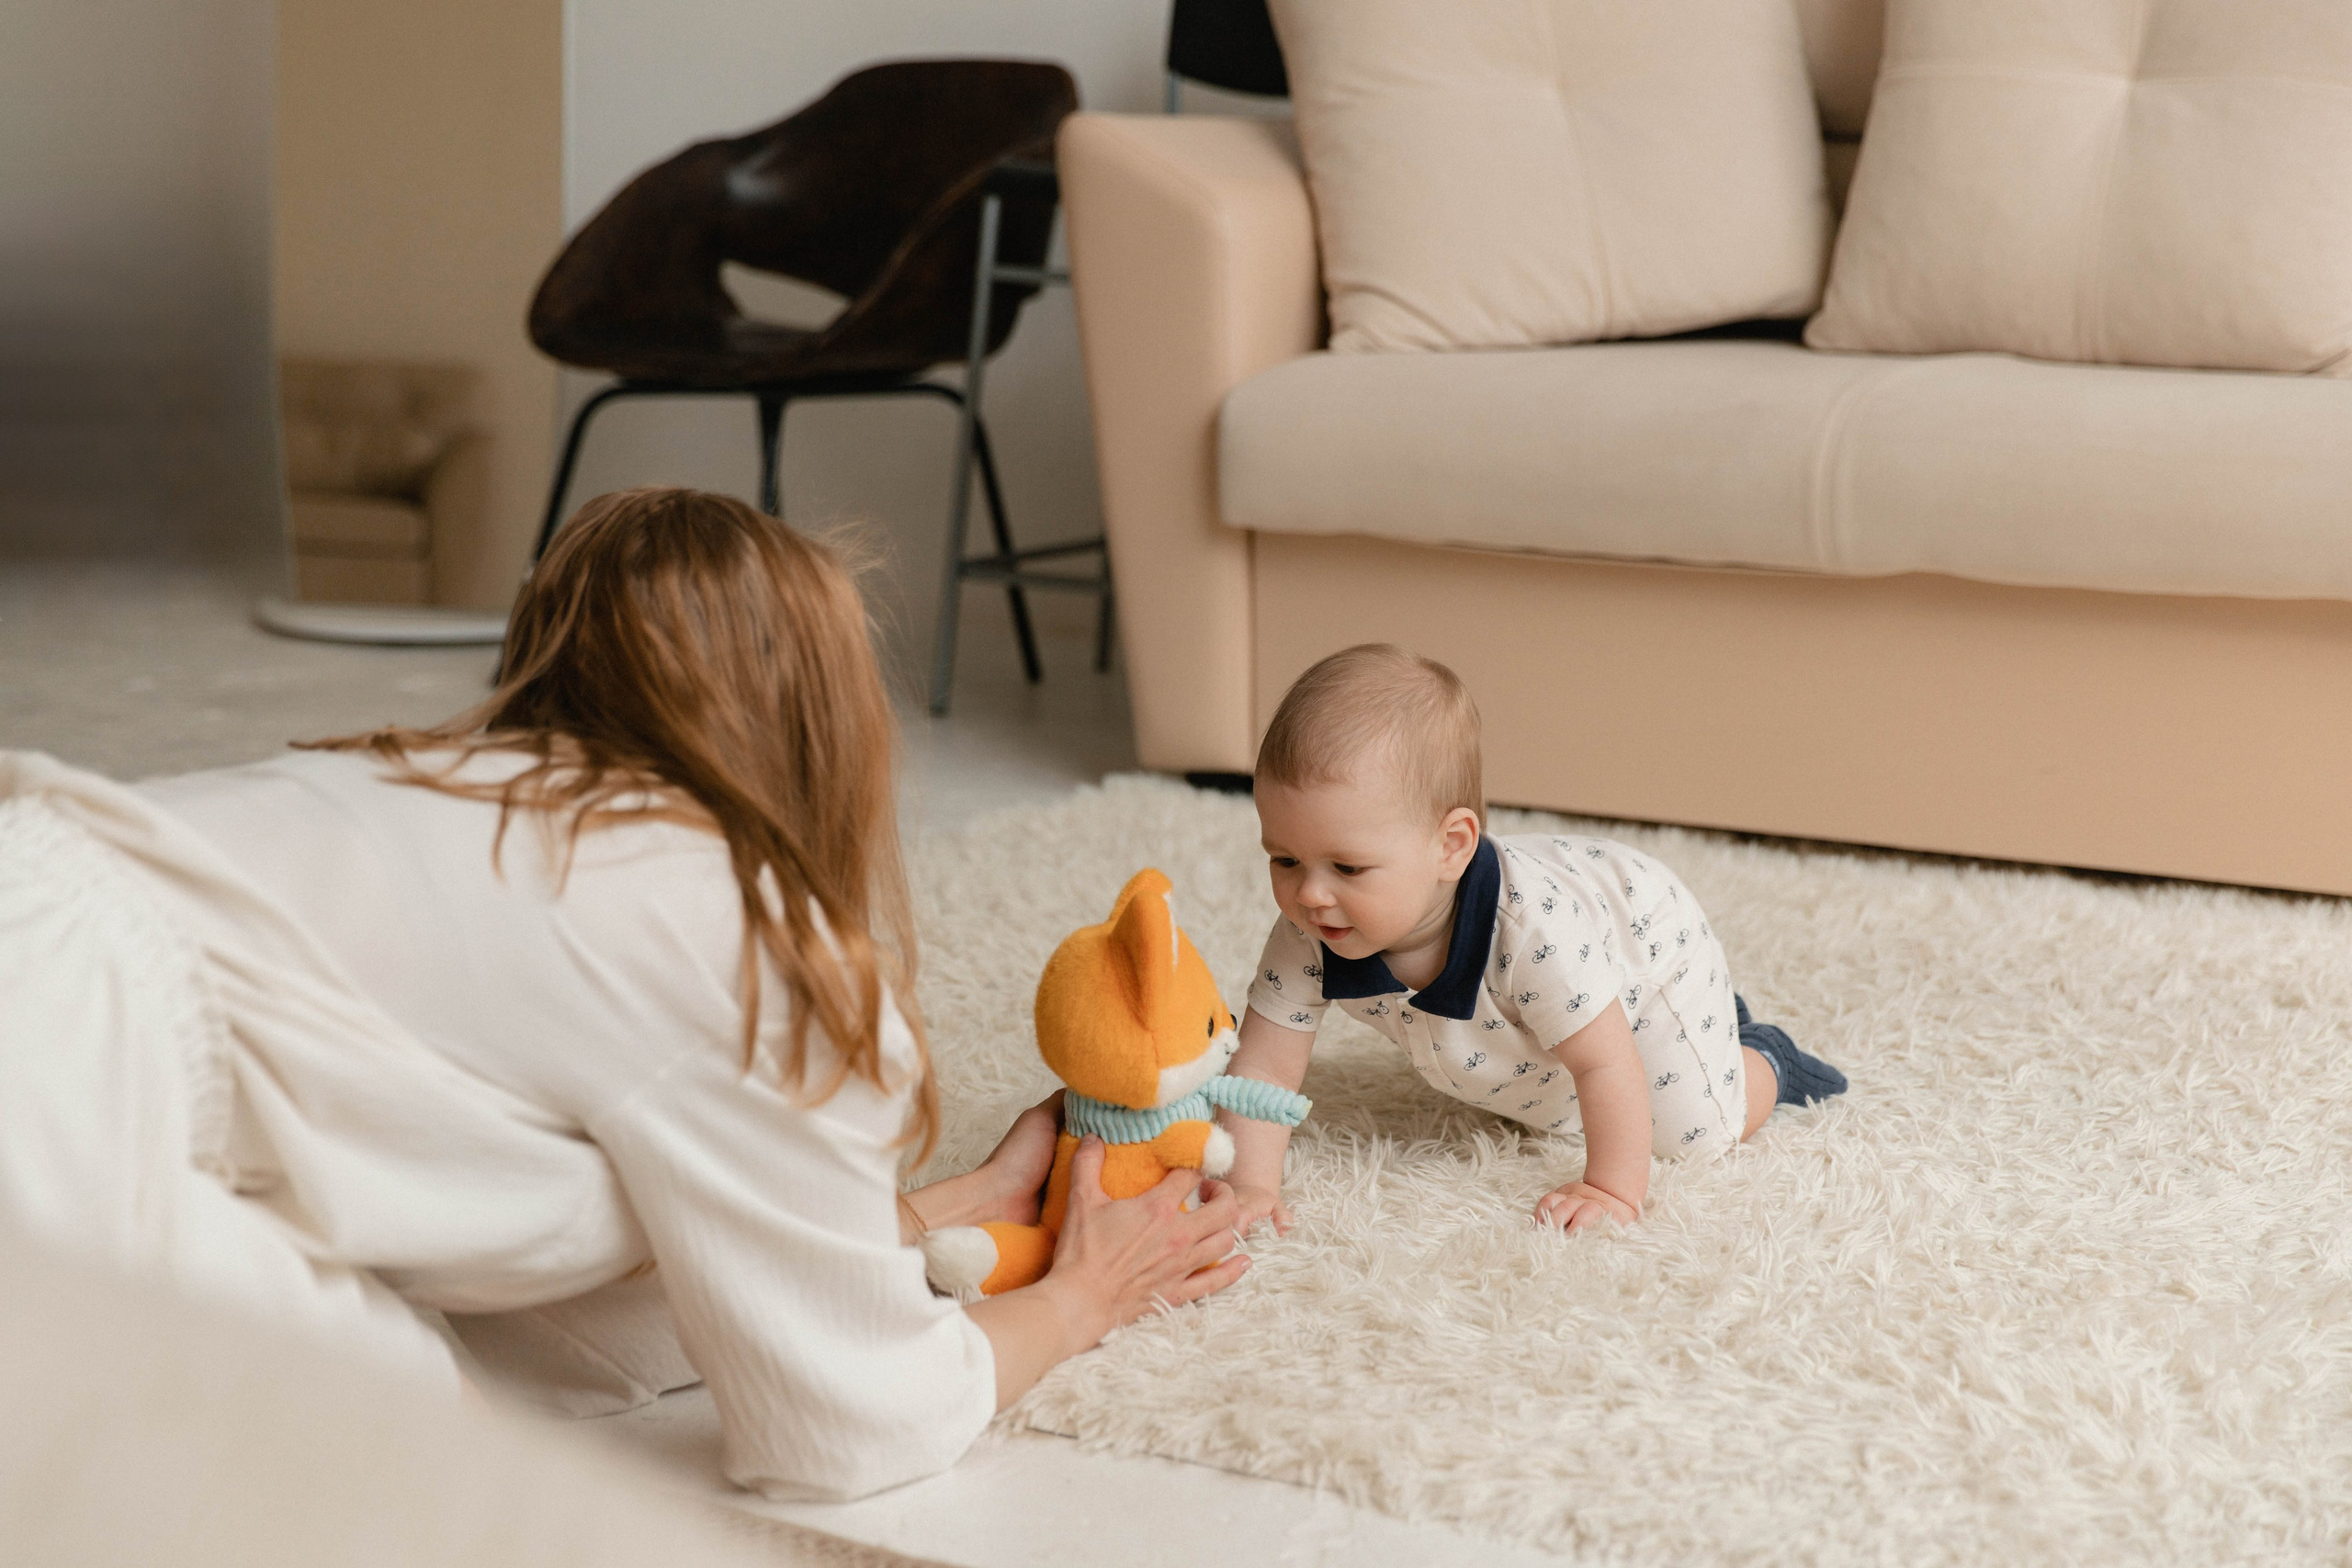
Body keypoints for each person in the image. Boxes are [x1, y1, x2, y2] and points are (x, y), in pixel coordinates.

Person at [0, 486, 1248, 1502]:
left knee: (420, 1390)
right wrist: (1081, 1295)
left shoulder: (459, 796)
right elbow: (844, 1424)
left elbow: (527, 1249)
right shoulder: (729, 921)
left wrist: (909, 1223)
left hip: (50, 938)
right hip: (58, 1065)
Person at [1216, 643, 1847, 1238]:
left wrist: (1611, 1189)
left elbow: (1603, 1061)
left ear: (1451, 847)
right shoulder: (1312, 924)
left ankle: (1759, 1051)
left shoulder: (1532, 932)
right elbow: (1266, 1064)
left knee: (1694, 1129)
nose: (1310, 894)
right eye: (1284, 859)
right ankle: (1706, 1032)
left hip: (1644, 947)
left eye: (1347, 868)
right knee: (1545, 1087)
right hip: (1566, 963)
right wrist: (1250, 1183)